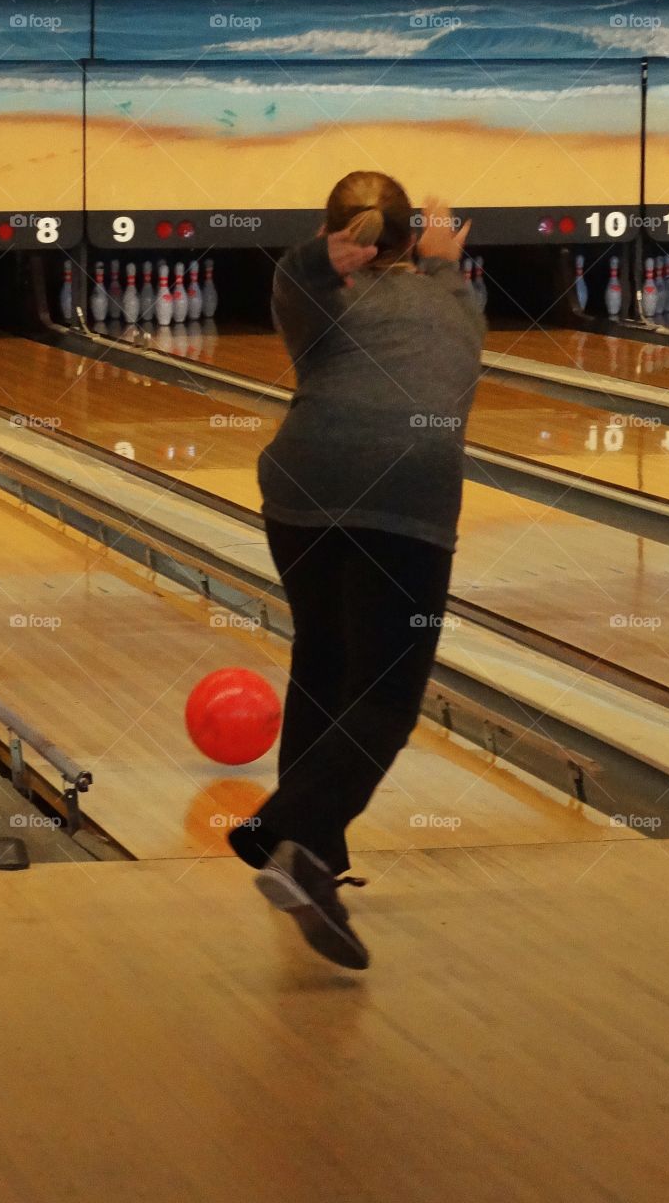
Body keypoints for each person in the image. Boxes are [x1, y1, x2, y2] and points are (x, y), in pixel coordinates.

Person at [228, 170, 486, 970]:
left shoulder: (315, 297)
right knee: (385, 698)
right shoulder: (456, 302)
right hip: (405, 496)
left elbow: (294, 279)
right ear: (415, 239)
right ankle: (285, 831)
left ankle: (316, 861)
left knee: (325, 657)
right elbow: (447, 296)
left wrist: (317, 258)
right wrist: (444, 258)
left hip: (302, 486)